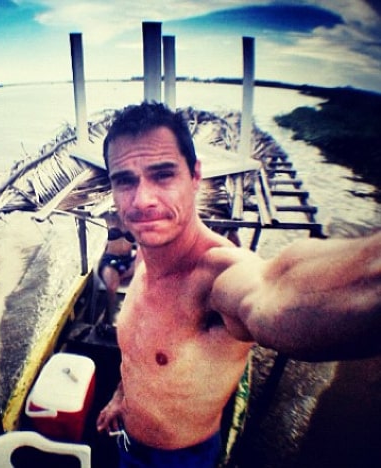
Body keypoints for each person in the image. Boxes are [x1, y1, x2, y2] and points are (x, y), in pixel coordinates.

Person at [95, 101, 381, 467]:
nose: (142, 199)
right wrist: (120, 397)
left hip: (182, 459)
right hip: (125, 443)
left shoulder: (216, 276)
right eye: (125, 180)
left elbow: (275, 291)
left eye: (163, 174)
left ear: (195, 176)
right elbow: (138, 357)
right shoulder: (141, 260)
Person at [98, 211, 139, 328]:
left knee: (146, 273)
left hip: (127, 261)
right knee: (111, 286)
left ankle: (135, 315)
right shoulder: (110, 216)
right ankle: (108, 318)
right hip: (110, 260)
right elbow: (89, 205)